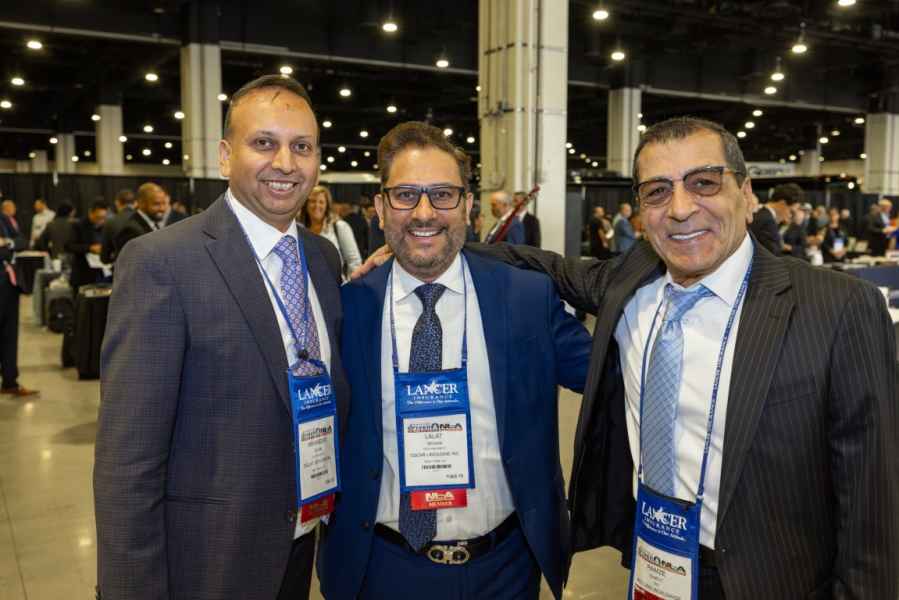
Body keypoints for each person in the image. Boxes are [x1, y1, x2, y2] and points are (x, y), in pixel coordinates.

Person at [465, 116, 897, 598]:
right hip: (652, 560)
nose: (681, 208)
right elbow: (544, 265)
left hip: (772, 580)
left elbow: (875, 502)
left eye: (703, 183)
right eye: (657, 192)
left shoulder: (837, 307)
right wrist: (435, 246)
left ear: (746, 193)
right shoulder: (629, 281)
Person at [94, 74, 350, 600]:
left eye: (302, 146)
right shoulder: (162, 263)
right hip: (208, 563)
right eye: (264, 143)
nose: (285, 163)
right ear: (225, 157)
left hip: (301, 544)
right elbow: (128, 461)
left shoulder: (322, 259)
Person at [318, 121, 591, 600]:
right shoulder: (347, 308)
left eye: (443, 195)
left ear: (467, 205)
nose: (424, 212)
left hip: (505, 570)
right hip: (383, 569)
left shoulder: (526, 298)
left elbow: (610, 375)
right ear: (380, 208)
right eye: (405, 195)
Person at [0, 210, 38, 397]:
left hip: (8, 284)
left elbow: (22, 241)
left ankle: (10, 381)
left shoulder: (4, 218)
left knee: (9, 335)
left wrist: (7, 243)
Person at [298, 185, 362, 277]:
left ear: (327, 205)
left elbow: (354, 261)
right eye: (312, 201)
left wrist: (351, 284)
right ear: (306, 205)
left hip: (336, 284)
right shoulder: (300, 230)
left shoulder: (339, 227)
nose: (317, 205)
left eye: (321, 202)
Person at [111, 182, 169, 261]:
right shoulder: (131, 230)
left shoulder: (154, 224)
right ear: (141, 203)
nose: (162, 209)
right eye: (156, 204)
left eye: (164, 203)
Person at [65, 200, 108, 290]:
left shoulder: (105, 227)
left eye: (103, 218)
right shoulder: (78, 226)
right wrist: (90, 248)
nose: (101, 221)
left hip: (101, 274)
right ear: (90, 213)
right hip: (82, 274)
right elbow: (69, 246)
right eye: (98, 217)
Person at [100, 189, 136, 264]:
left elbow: (104, 258)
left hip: (121, 266)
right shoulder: (144, 219)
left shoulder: (110, 222)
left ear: (117, 203)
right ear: (135, 203)